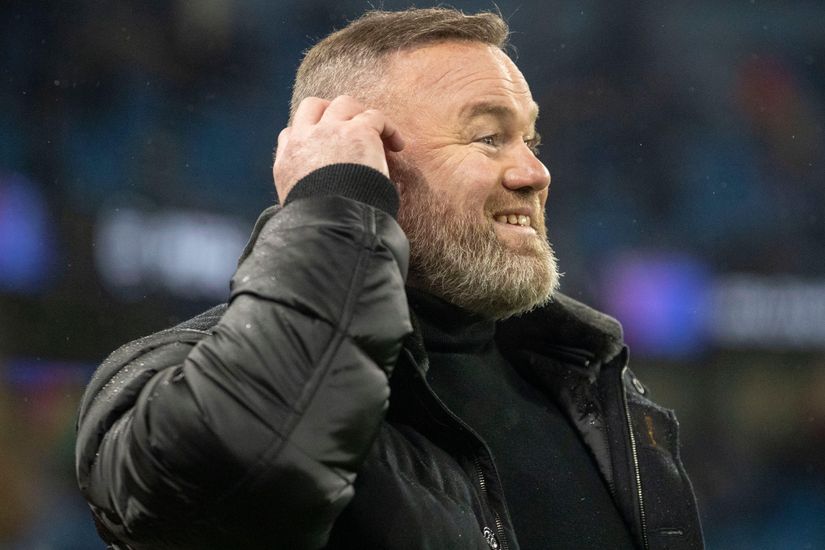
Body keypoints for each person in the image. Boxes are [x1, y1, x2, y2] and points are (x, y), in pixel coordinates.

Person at [75, 7, 703, 550]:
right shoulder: (162, 379)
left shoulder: (597, 391)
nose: (534, 173)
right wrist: (332, 204)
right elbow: (250, 480)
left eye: (529, 139)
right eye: (489, 138)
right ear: (368, 157)